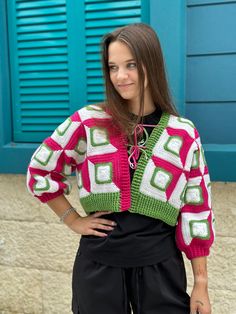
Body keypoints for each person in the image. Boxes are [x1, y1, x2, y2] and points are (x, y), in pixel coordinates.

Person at [27, 23, 214, 314]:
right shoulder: (88, 121)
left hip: (160, 268)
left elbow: (196, 208)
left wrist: (200, 281)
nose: (120, 76)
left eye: (131, 65)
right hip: (99, 266)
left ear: (151, 63)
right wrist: (72, 219)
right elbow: (40, 171)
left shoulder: (182, 133)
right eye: (113, 67)